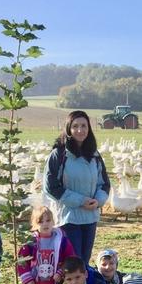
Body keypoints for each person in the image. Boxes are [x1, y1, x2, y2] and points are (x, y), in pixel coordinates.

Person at [43, 110, 111, 264]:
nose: (80, 130)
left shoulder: (94, 155)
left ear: (89, 128)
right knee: (72, 263)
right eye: (75, 126)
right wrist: (81, 201)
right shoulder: (59, 155)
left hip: (90, 217)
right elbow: (51, 187)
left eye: (84, 126)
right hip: (69, 218)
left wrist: (98, 201)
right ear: (68, 129)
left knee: (83, 264)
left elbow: (104, 183)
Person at [16, 206, 76, 284]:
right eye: (40, 221)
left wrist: (61, 272)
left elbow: (70, 258)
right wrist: (26, 278)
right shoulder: (30, 242)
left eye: (48, 220)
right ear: (34, 224)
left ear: (53, 222)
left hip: (55, 283)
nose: (45, 224)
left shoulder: (61, 239)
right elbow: (21, 260)